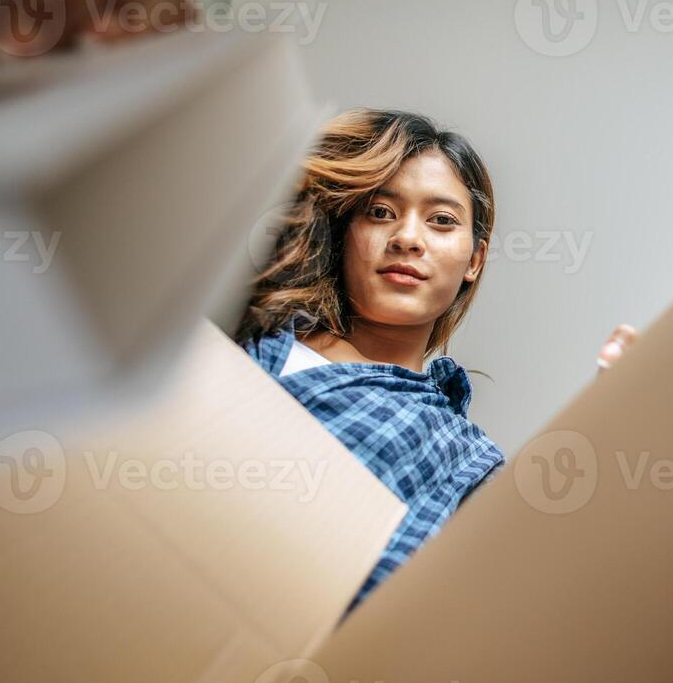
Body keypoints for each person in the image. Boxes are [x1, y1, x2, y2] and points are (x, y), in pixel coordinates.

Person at [237, 107, 635, 612]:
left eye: (441, 221)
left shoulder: (466, 463)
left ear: (474, 260)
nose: (407, 237)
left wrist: (618, 419)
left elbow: (531, 582)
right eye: (380, 212)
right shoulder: (252, 328)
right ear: (344, 234)